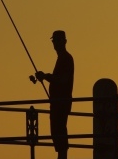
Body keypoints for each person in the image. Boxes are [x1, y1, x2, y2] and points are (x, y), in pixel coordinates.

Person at [35, 30, 74, 159]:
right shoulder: (62, 58)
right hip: (57, 102)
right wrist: (45, 77)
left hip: (61, 102)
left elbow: (63, 79)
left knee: (60, 132)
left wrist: (47, 77)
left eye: (57, 41)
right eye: (54, 41)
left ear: (64, 41)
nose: (55, 44)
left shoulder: (66, 58)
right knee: (57, 133)